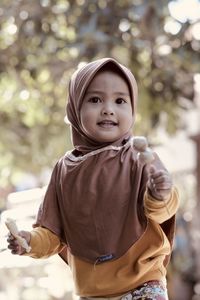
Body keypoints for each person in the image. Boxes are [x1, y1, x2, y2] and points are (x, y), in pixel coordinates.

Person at [7, 57, 179, 300]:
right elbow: (52, 234)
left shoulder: (138, 156)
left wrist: (160, 193)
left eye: (120, 100)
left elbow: (162, 212)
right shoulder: (64, 170)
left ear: (133, 109)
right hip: (91, 293)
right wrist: (30, 242)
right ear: (75, 109)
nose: (108, 108)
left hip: (143, 285)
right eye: (95, 99)